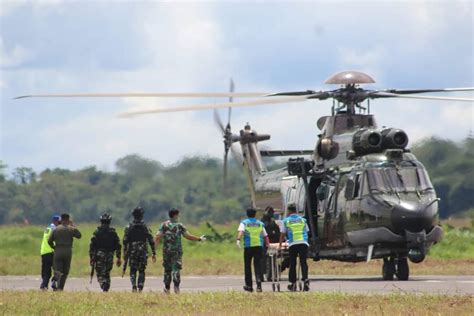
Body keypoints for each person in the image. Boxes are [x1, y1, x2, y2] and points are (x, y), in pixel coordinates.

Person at [155, 208, 206, 294]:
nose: (179, 216)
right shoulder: (180, 225)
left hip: (166, 251)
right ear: (175, 215)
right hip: (177, 251)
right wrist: (199, 239)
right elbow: (188, 236)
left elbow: (157, 237)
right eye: (178, 215)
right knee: (176, 269)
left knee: (167, 270)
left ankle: (167, 288)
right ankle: (176, 287)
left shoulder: (163, 225)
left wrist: (154, 250)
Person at [123, 206, 156, 292]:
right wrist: (154, 252)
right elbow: (151, 240)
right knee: (142, 269)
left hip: (133, 251)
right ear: (142, 215)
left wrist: (125, 251)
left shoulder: (129, 227)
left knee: (133, 270)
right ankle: (140, 286)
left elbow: (125, 240)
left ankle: (134, 286)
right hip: (143, 250)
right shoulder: (145, 227)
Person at [237, 207, 269, 292]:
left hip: (248, 247)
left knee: (247, 266)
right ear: (255, 214)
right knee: (257, 265)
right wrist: (268, 245)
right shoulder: (260, 223)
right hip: (258, 246)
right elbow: (265, 235)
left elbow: (241, 232)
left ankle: (249, 286)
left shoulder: (244, 223)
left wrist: (238, 239)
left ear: (247, 214)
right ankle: (259, 284)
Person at [279, 203, 310, 291]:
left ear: (288, 211)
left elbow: (282, 234)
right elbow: (307, 231)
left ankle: (293, 283)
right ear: (296, 210)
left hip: (293, 244)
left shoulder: (286, 221)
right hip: (303, 243)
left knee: (293, 263)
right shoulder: (303, 220)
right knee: (303, 262)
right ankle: (306, 279)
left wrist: (281, 244)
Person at [48, 213, 81, 291]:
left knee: (57, 269)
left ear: (61, 220)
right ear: (68, 220)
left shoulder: (56, 229)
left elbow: (49, 241)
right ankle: (60, 288)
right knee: (65, 271)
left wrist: (54, 247)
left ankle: (56, 278)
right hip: (68, 250)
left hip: (58, 250)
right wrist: (73, 225)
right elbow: (79, 235)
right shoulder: (71, 229)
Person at [89, 213, 122, 292]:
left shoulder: (97, 232)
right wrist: (118, 257)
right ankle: (106, 286)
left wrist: (91, 257)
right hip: (110, 255)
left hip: (99, 255)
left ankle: (104, 284)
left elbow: (92, 246)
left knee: (100, 273)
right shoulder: (113, 233)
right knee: (107, 272)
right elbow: (118, 245)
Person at [40, 214, 61, 290]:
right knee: (57, 269)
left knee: (46, 271)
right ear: (56, 222)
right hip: (52, 252)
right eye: (59, 222)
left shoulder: (48, 228)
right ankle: (54, 284)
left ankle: (44, 285)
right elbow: (54, 241)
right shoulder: (55, 229)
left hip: (44, 252)